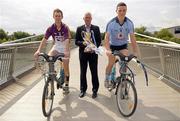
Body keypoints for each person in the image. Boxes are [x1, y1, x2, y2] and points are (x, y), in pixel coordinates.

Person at [34, 8, 71, 94]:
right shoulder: (51, 28)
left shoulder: (65, 27)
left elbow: (67, 40)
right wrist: (38, 50)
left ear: (62, 17)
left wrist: (66, 51)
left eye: (59, 16)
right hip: (56, 47)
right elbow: (44, 39)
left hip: (65, 47)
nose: (57, 17)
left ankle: (66, 84)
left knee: (66, 68)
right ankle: (52, 73)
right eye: (56, 16)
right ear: (53, 17)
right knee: (49, 58)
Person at [104, 2, 139, 88]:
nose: (122, 12)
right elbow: (107, 38)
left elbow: (133, 38)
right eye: (120, 10)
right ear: (116, 11)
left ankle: (123, 79)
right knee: (111, 63)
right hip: (112, 46)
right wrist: (107, 49)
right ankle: (106, 79)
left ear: (126, 11)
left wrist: (135, 52)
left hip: (123, 46)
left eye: (124, 10)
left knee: (124, 60)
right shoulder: (111, 23)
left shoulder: (129, 23)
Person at [75, 12, 101, 98]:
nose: (87, 19)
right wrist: (84, 43)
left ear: (91, 19)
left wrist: (92, 47)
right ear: (83, 18)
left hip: (93, 54)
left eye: (89, 17)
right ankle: (83, 90)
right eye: (86, 17)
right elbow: (76, 42)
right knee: (83, 72)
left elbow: (99, 41)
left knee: (94, 72)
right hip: (83, 53)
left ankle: (95, 90)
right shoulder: (79, 29)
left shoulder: (96, 28)